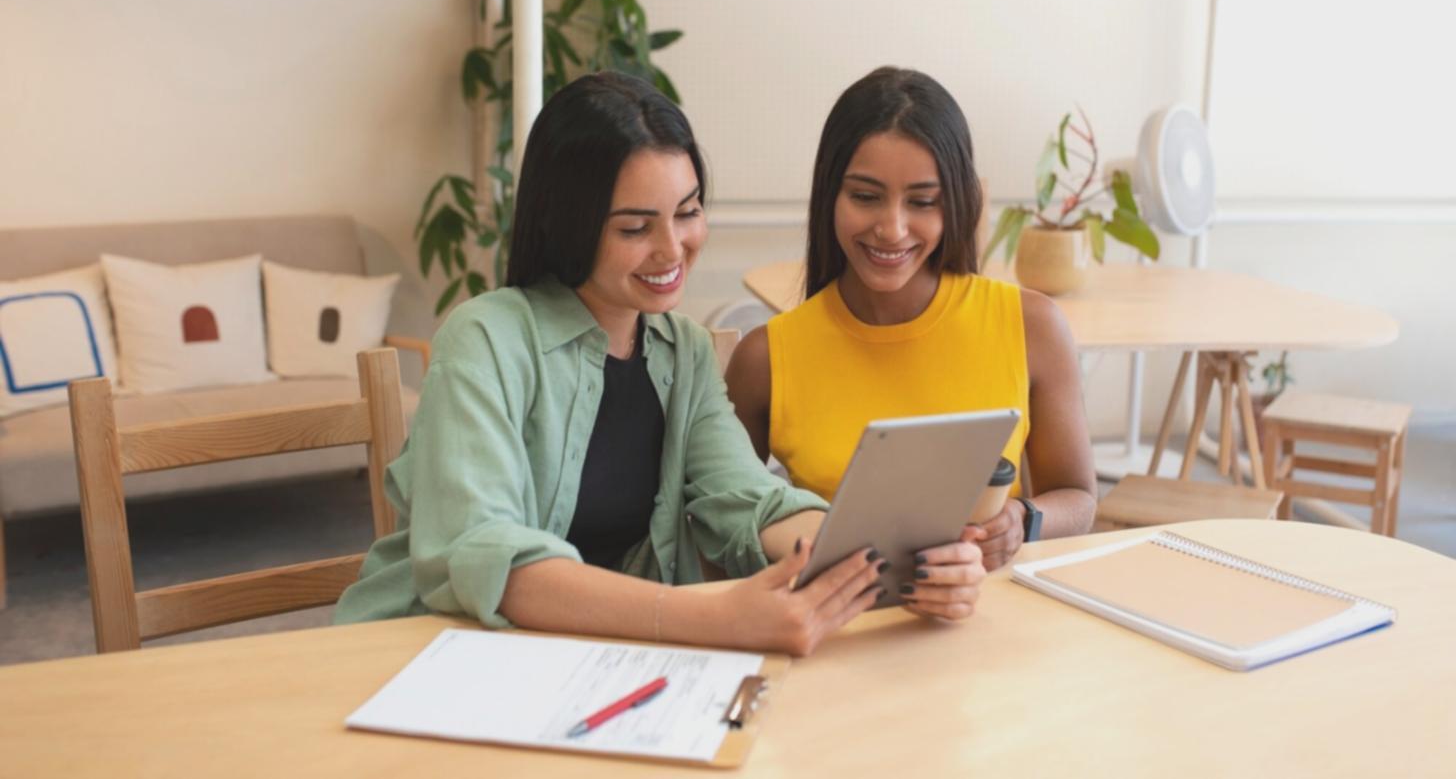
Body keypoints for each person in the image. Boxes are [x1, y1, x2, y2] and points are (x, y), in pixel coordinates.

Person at [335, 72, 987, 655]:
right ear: (570, 224)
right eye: (634, 227)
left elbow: (750, 501)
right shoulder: (486, 338)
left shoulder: (684, 352)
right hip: (431, 657)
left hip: (592, 663)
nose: (673, 248)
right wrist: (716, 618)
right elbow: (487, 556)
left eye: (688, 212)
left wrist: (891, 559)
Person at [726, 67, 1096, 575]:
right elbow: (724, 523)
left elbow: (1079, 498)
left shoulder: (1032, 327)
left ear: (954, 203)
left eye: (922, 202)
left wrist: (1022, 519)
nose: (892, 229)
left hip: (988, 609)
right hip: (834, 614)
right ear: (830, 194)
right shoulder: (765, 358)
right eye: (865, 196)